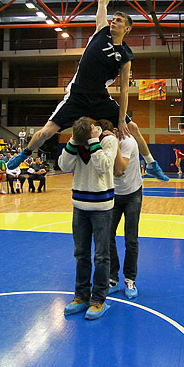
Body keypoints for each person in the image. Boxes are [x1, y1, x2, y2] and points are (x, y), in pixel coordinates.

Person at [6, 0, 168, 182]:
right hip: (77, 95)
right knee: (47, 132)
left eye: (118, 21)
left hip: (100, 97)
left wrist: (120, 120)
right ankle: (25, 153)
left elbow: (125, 90)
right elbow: (102, 2)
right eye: (113, 19)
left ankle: (151, 164)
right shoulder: (101, 31)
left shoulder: (126, 55)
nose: (113, 22)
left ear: (127, 29)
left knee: (132, 128)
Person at [59, 117, 118, 320]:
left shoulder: (108, 140)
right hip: (79, 207)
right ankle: (81, 295)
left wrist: (93, 142)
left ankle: (99, 298)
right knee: (81, 254)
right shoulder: (77, 142)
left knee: (102, 256)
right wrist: (73, 143)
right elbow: (64, 165)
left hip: (102, 207)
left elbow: (104, 166)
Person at [98, 119, 141, 300]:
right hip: (112, 194)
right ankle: (112, 277)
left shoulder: (128, 142)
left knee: (131, 239)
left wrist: (114, 144)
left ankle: (130, 279)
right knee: (107, 236)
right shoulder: (98, 144)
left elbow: (119, 170)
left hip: (132, 194)